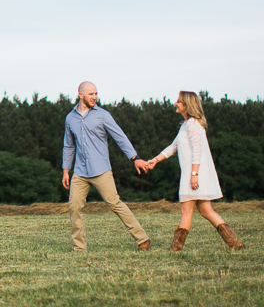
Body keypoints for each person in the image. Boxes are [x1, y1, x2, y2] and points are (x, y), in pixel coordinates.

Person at [146, 90, 245, 251]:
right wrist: (155, 160)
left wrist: (193, 175)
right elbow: (173, 147)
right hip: (196, 174)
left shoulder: (192, 125)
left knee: (186, 211)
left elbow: (197, 151)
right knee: (206, 211)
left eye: (178, 101)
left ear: (187, 105)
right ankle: (235, 243)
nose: (175, 103)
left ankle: (176, 249)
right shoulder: (186, 125)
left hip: (195, 174)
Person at [62, 81, 151, 251]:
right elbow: (69, 145)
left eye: (96, 93)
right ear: (80, 94)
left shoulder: (103, 115)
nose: (94, 97)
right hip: (80, 171)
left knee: (115, 203)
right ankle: (79, 248)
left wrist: (135, 158)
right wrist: (66, 171)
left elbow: (120, 137)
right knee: (74, 207)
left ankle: (142, 240)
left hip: (101, 169)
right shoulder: (70, 118)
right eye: (91, 94)